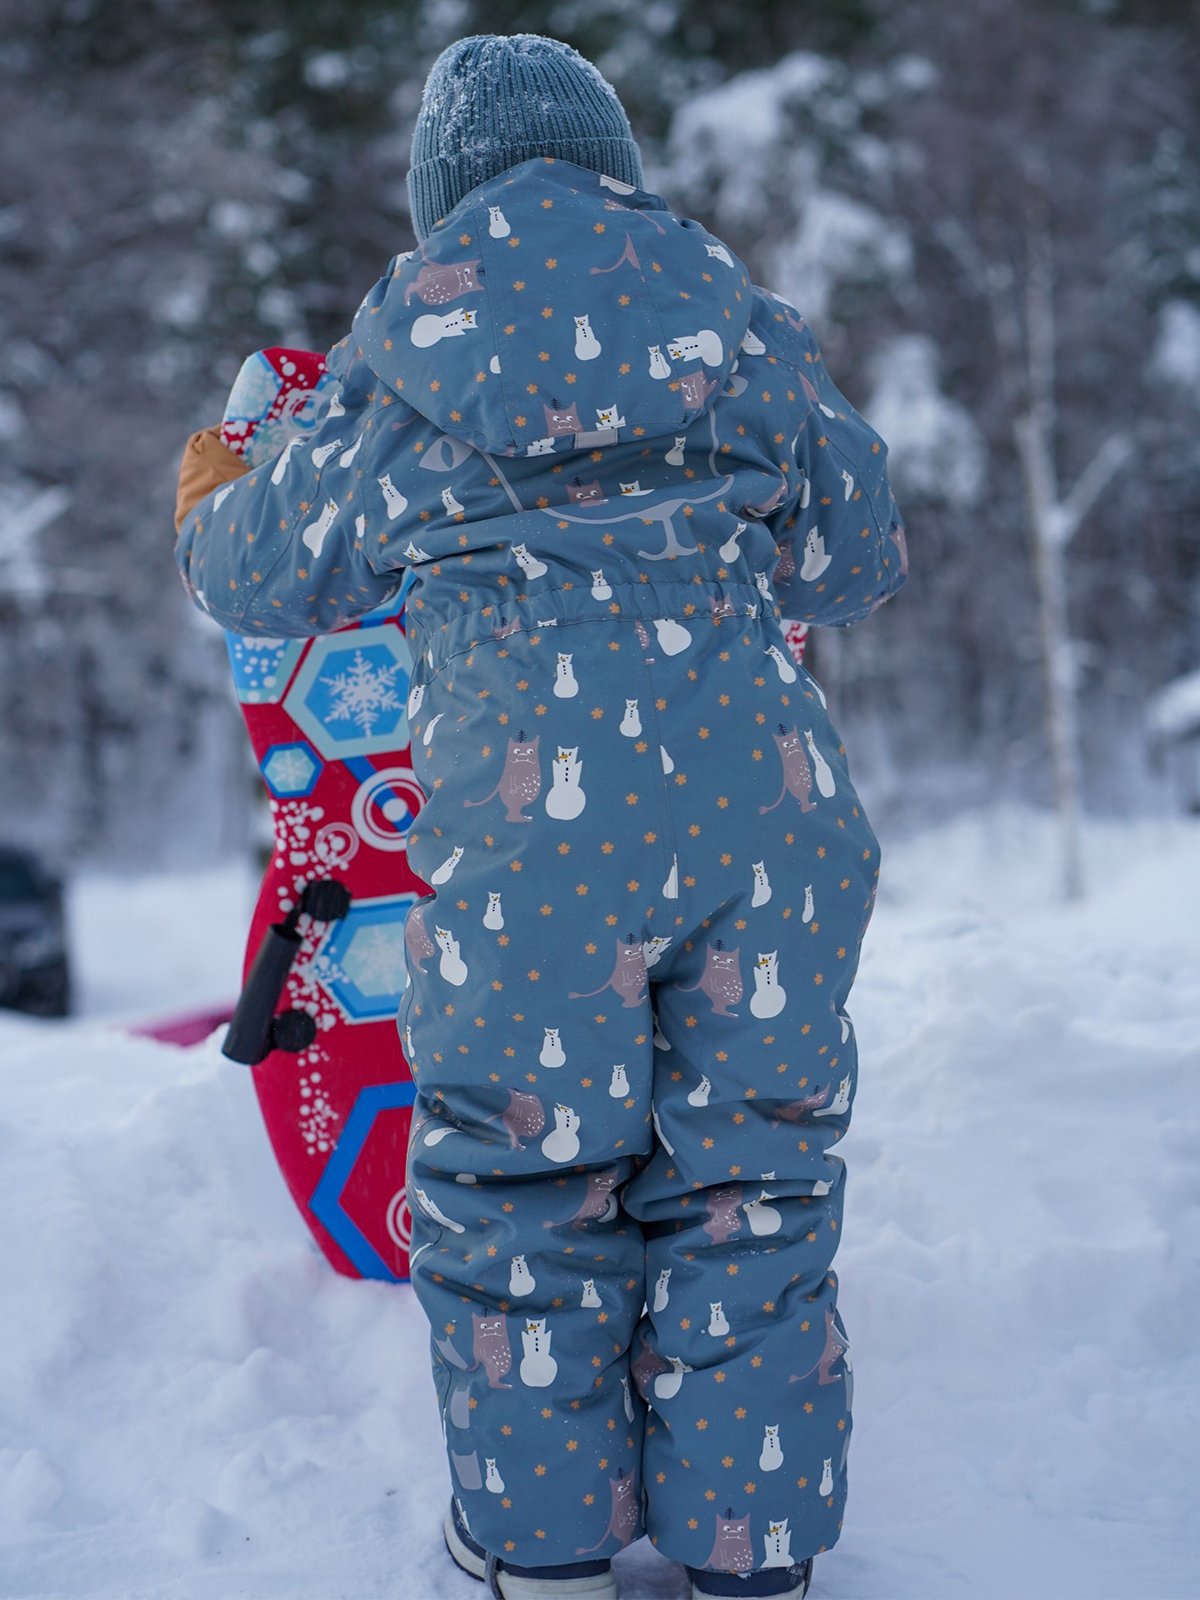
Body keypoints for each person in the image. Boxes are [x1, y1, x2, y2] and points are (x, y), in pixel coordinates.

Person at [173, 32, 907, 1600]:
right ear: (613, 164)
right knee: (752, 1183)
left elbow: (267, 578)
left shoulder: (409, 339)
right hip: (767, 819)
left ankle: (541, 1552)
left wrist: (213, 482)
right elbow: (856, 551)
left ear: (447, 192)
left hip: (531, 837)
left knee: (523, 1182)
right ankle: (749, 1545)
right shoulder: (729, 303)